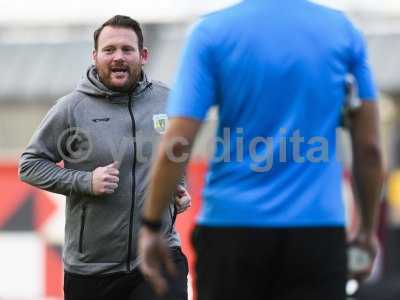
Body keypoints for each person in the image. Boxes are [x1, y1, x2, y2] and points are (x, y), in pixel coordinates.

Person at [138, 1, 385, 300]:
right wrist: (367, 232)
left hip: (231, 233)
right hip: (317, 233)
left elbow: (177, 143)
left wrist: (152, 225)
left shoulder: (211, 32)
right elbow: (369, 149)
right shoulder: (343, 33)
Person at [19, 15, 190, 300]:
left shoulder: (167, 100)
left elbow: (176, 155)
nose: (118, 57)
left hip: (159, 253)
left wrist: (179, 190)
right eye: (109, 50)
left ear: (143, 55)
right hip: (93, 269)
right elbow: (30, 165)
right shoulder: (71, 108)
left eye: (127, 49)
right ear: (95, 56)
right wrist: (86, 181)